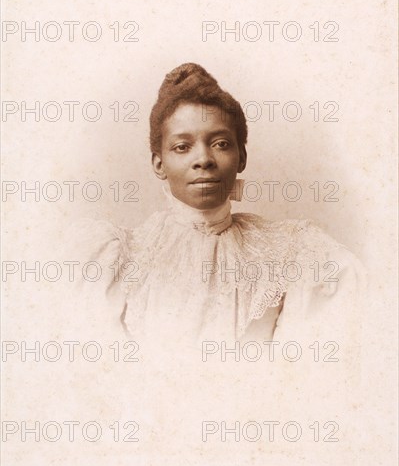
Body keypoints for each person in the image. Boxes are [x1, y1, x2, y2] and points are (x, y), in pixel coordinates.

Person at [75, 62, 364, 354]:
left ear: (241, 158)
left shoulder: (293, 253)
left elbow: (302, 375)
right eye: (182, 147)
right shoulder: (120, 258)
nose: (204, 159)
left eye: (221, 143)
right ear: (158, 164)